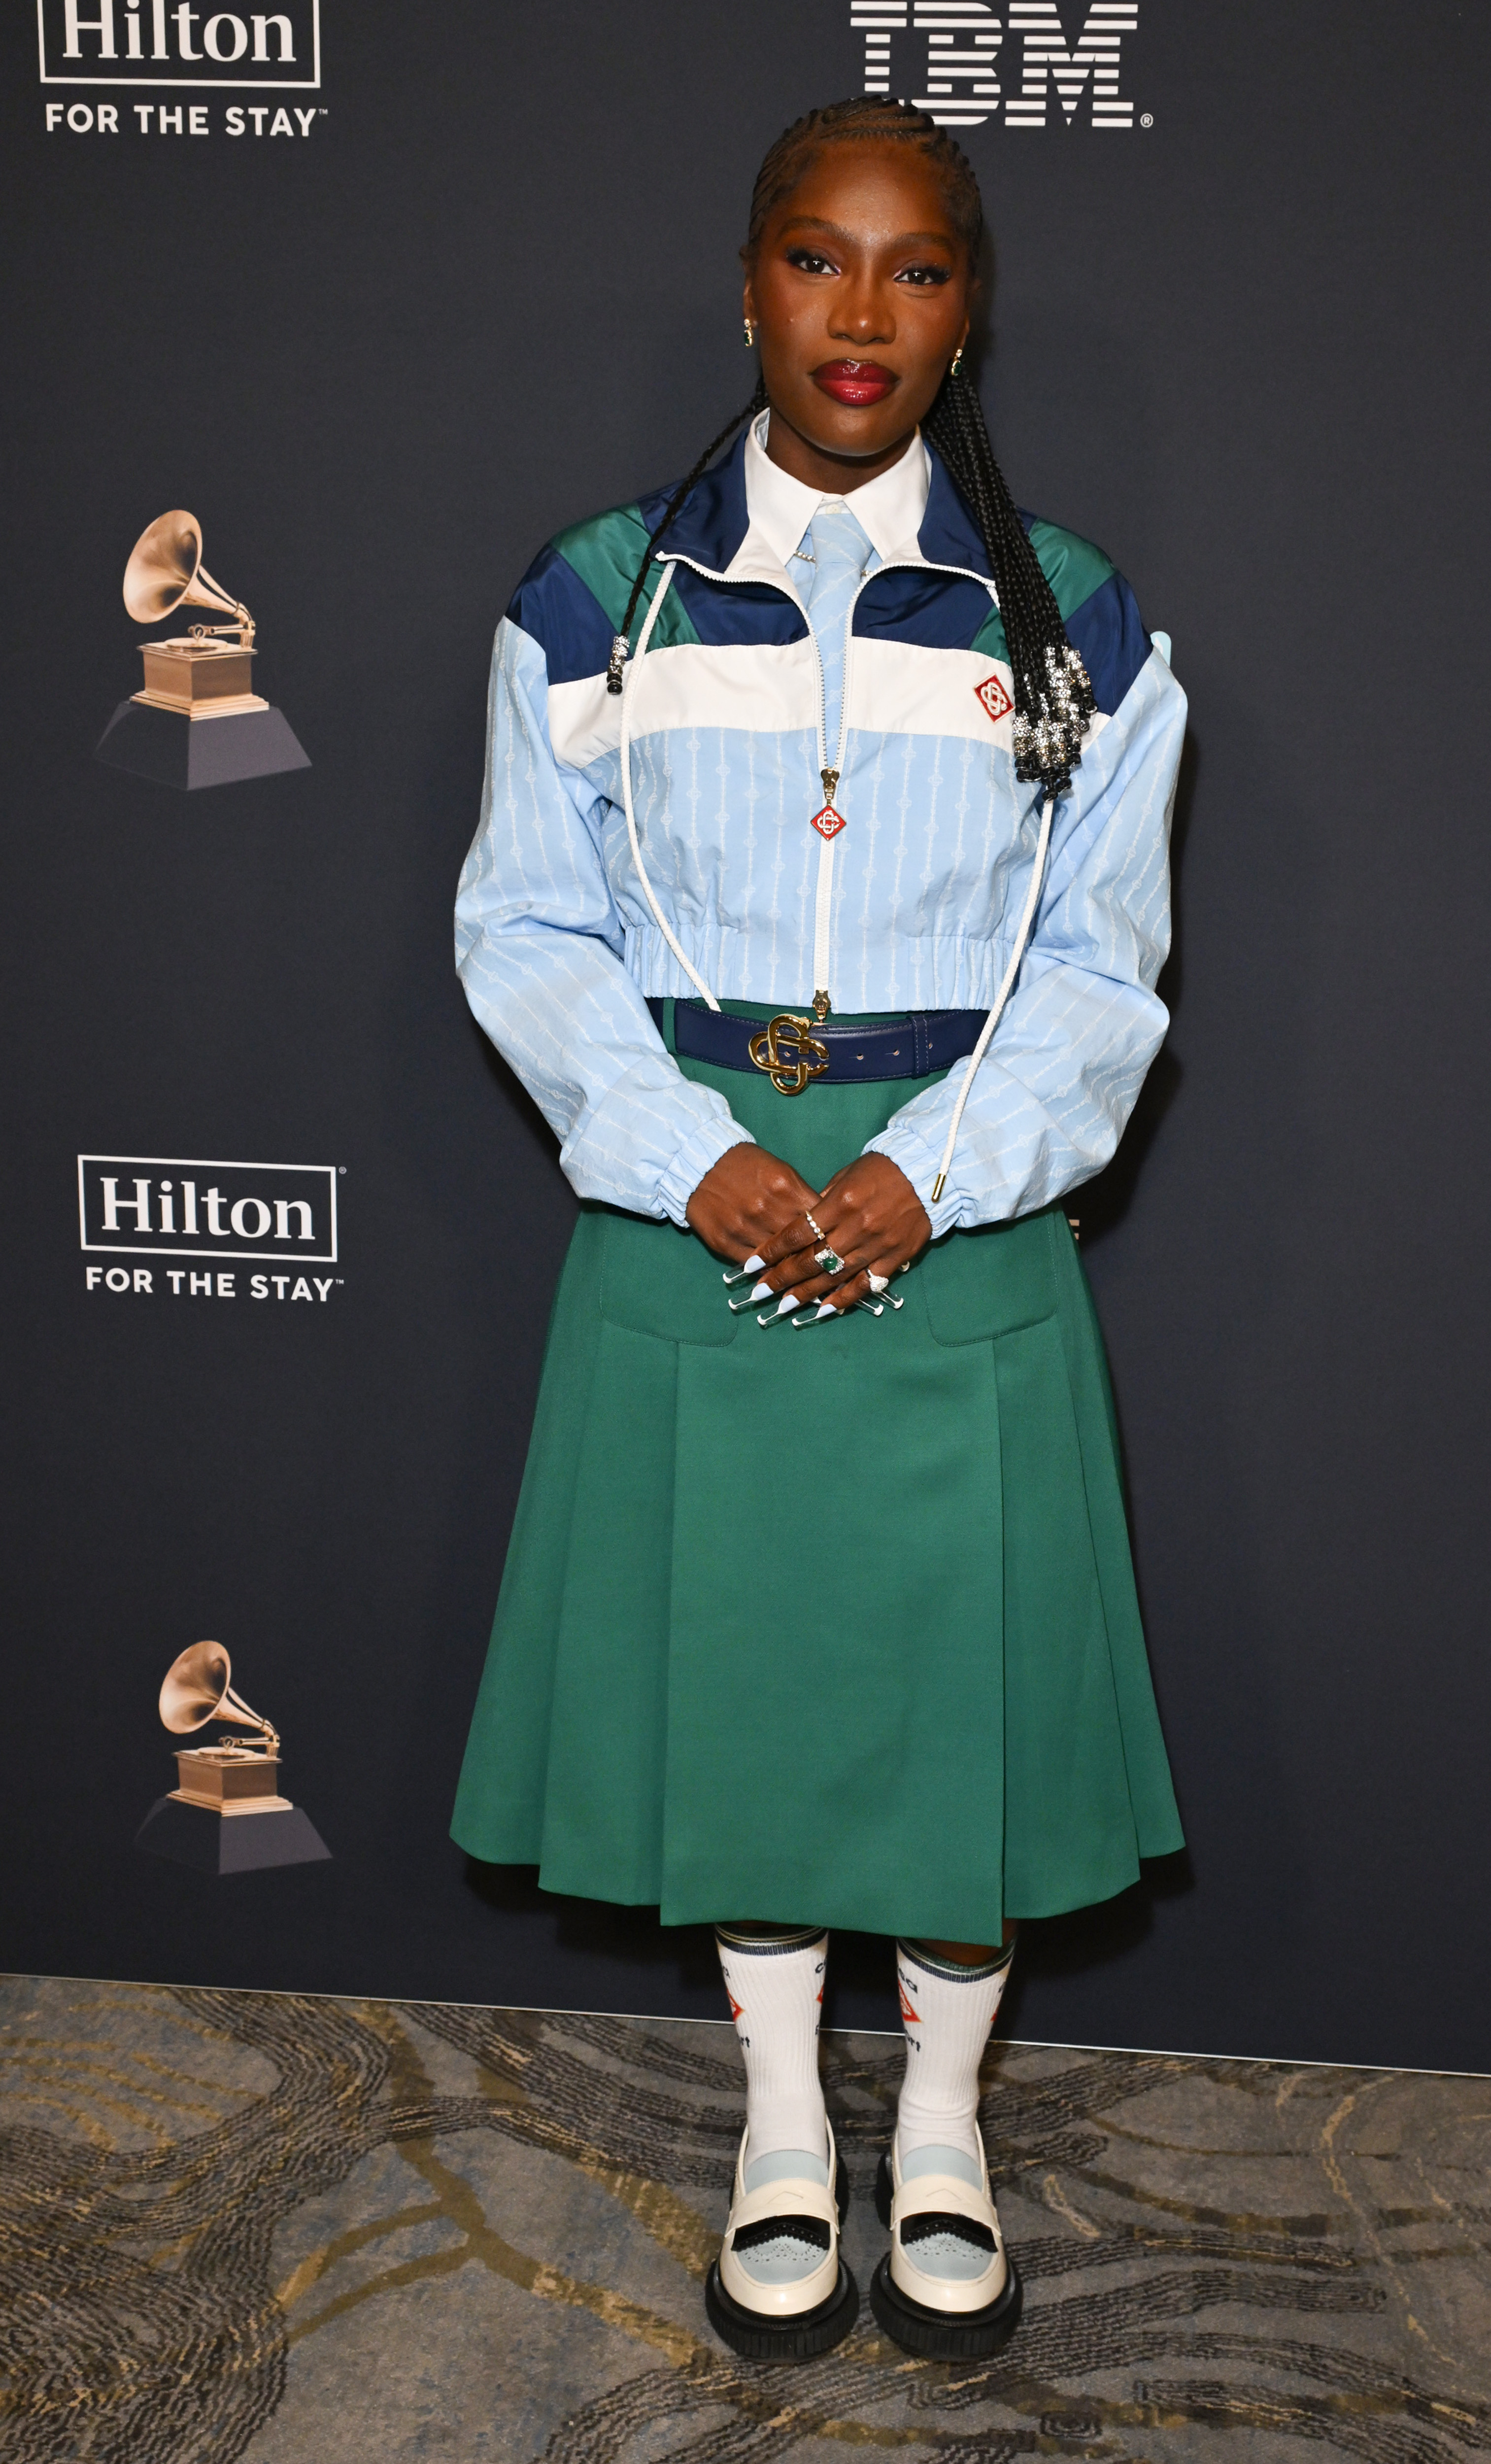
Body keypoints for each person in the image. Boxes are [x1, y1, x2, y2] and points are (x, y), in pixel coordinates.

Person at [451, 96, 1187, 2364]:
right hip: (699, 1217)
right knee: (755, 1706)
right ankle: (786, 2124)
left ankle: (944, 2133)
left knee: (955, 1722)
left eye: (919, 267)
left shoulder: (1077, 619)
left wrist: (920, 1174)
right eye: (816, 257)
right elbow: (525, 923)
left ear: (971, 309)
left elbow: (1099, 964)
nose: (861, 314)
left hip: (953, 1223)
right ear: (748, 281)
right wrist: (700, 1156)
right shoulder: (599, 598)